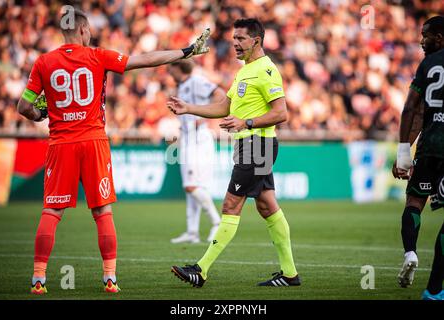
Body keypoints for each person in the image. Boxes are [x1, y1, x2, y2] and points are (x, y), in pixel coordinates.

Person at [17, 7, 210, 294]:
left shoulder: (44, 62)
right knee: (102, 211)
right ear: (83, 30)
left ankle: (38, 279)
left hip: (61, 144)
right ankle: (110, 279)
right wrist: (185, 51)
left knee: (52, 211)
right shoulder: (98, 56)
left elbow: (23, 107)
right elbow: (145, 59)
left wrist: (38, 115)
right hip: (93, 142)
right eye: (90, 30)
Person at [168, 18, 300, 287]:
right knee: (266, 206)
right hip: (250, 145)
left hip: (257, 145)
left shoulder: (265, 70)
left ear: (256, 41)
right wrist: (188, 107)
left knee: (231, 205)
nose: (235, 43)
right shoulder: (245, 70)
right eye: (234, 38)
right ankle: (289, 274)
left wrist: (246, 122)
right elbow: (224, 107)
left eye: (240, 38)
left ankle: (201, 270)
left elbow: (281, 113)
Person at [395, 15, 444, 300]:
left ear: (439, 37)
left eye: (425, 35)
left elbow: (411, 110)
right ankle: (435, 289)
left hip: (428, 148)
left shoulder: (428, 64)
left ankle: (411, 252)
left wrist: (403, 151)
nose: (421, 40)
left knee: (414, 202)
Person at [167, 60, 223, 244]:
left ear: (178, 67)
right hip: (188, 139)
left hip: (199, 139)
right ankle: (192, 232)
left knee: (191, 185)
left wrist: (203, 116)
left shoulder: (196, 81)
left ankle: (217, 222)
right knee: (191, 188)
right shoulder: (182, 86)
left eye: (171, 67)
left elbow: (219, 94)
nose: (168, 71)